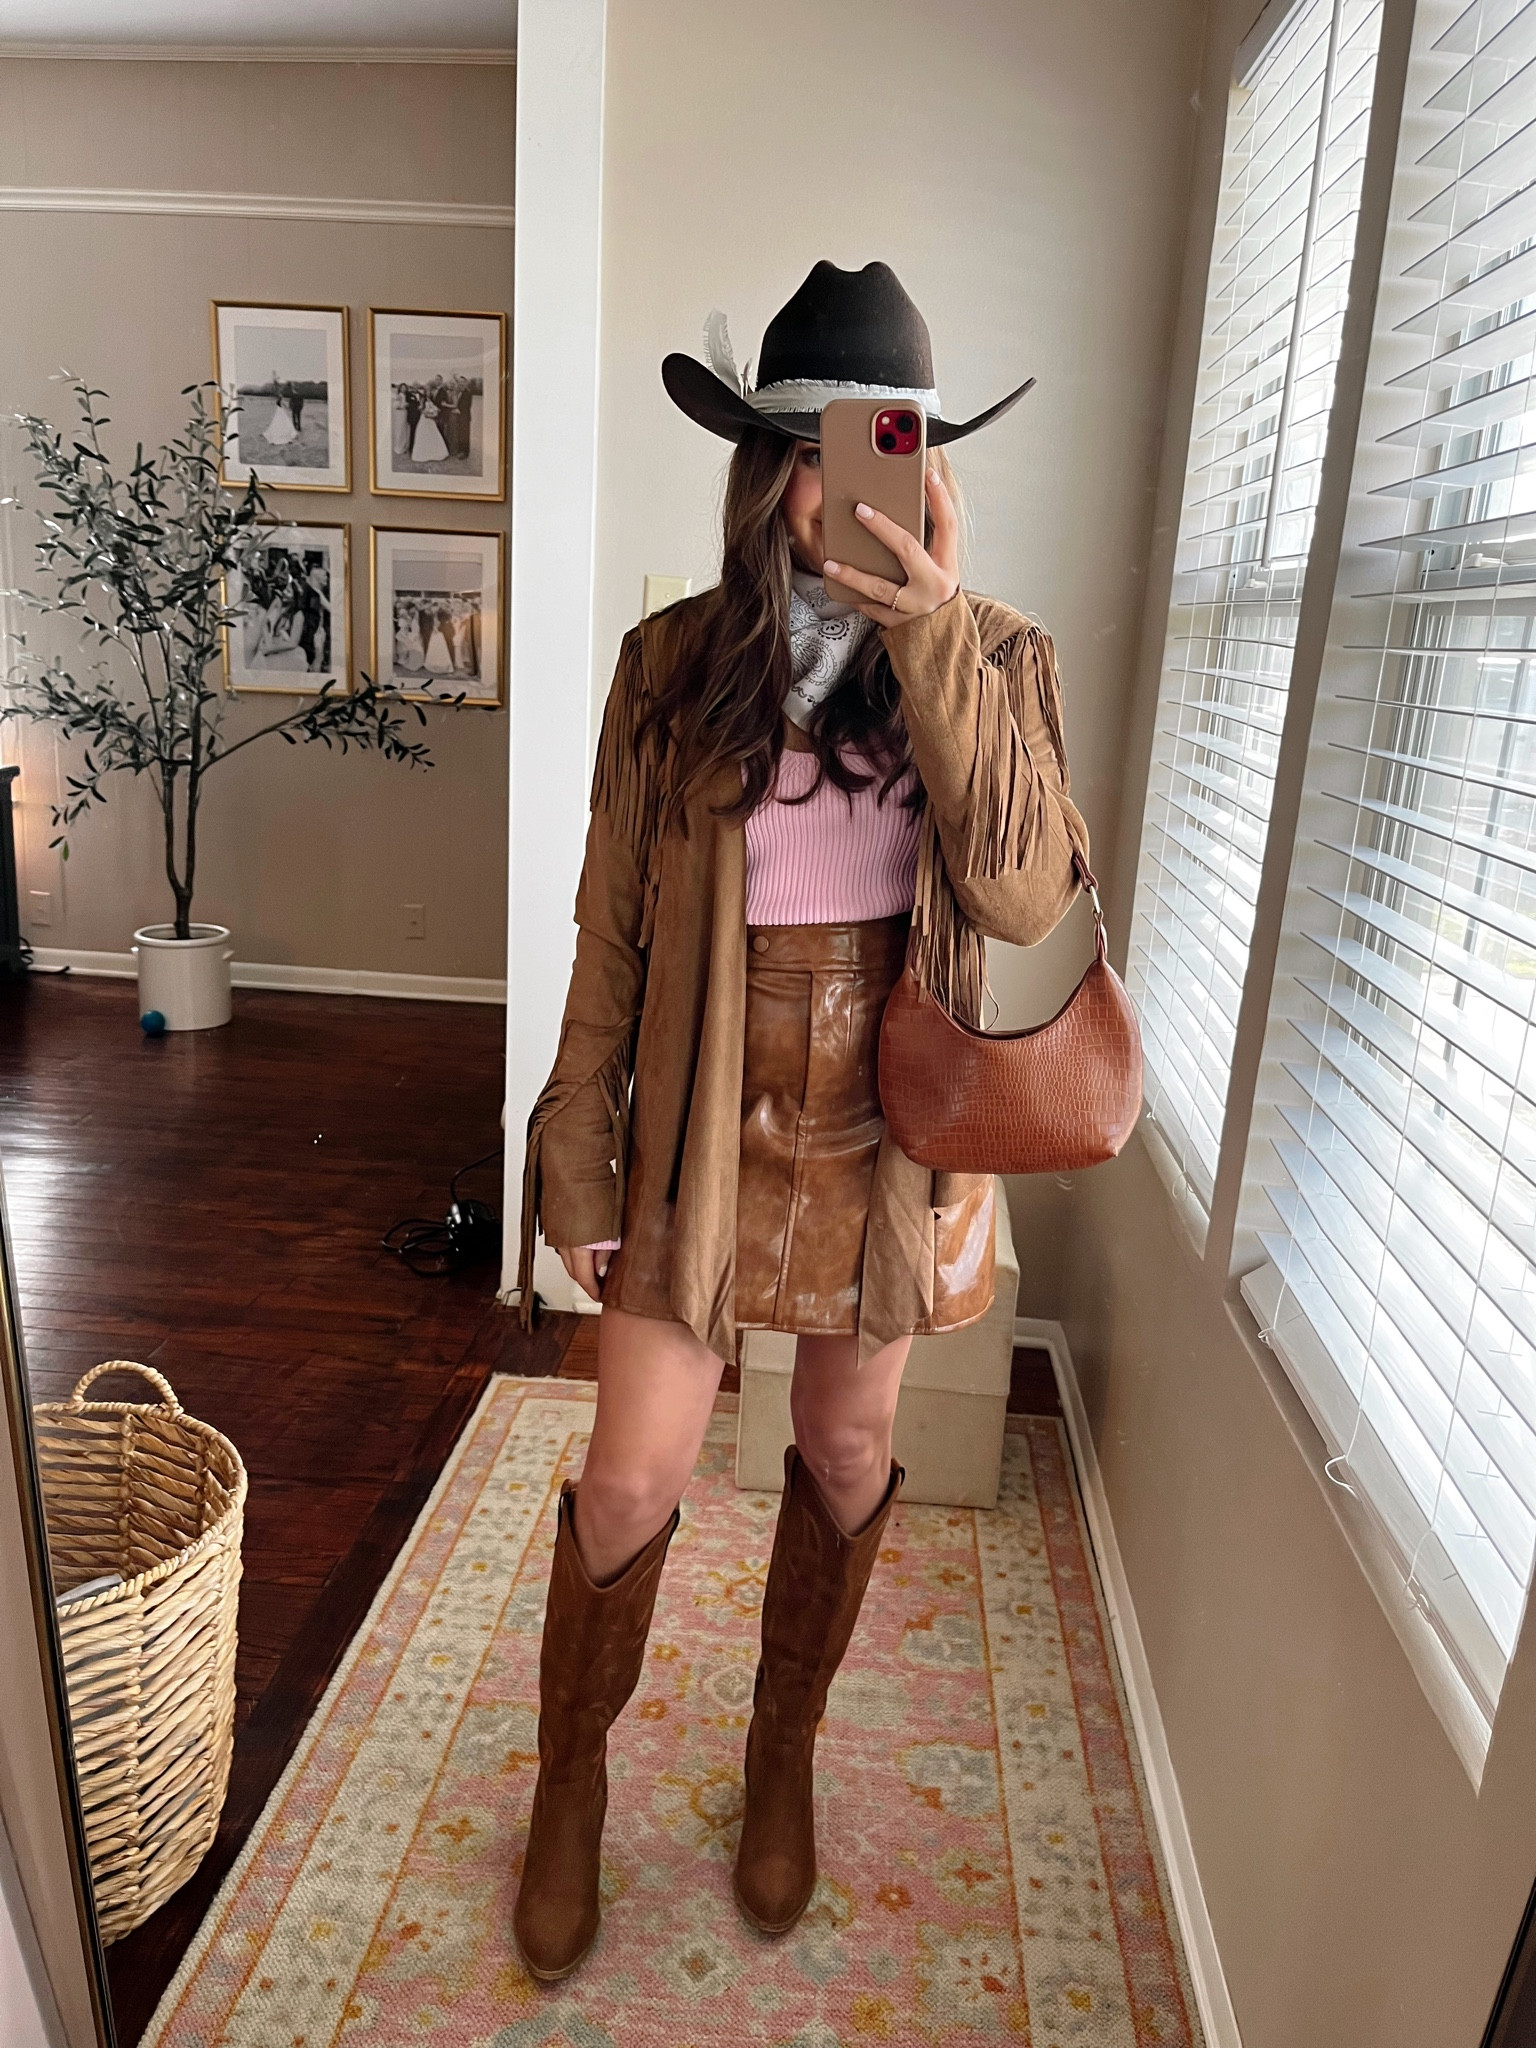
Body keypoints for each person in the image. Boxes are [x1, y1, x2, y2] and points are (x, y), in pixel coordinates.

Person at [512, 260, 1089, 1983]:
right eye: (817, 444)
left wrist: (931, 632)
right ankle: (572, 1786)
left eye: (888, 442)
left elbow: (1026, 889)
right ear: (769, 465)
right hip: (697, 1117)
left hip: (886, 1132)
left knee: (842, 1457)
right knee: (632, 1474)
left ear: (921, 463)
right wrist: (576, 1147)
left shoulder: (995, 660)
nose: (850, 478)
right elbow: (610, 929)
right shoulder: (670, 665)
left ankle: (779, 1763)